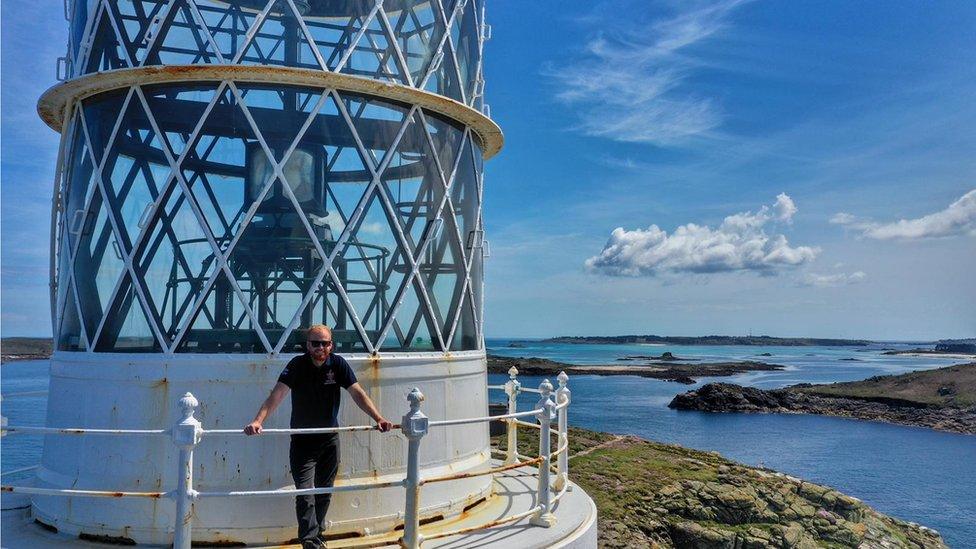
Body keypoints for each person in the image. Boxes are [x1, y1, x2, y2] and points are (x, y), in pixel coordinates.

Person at [244, 324, 393, 549]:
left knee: (324, 491)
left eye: (325, 343)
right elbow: (277, 395)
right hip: (303, 439)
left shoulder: (338, 364)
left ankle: (317, 536)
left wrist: (378, 418)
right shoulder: (297, 365)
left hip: (330, 438)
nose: (320, 347)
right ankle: (309, 540)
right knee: (305, 492)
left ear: (331, 345)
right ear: (307, 345)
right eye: (315, 343)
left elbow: (357, 393)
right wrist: (258, 421)